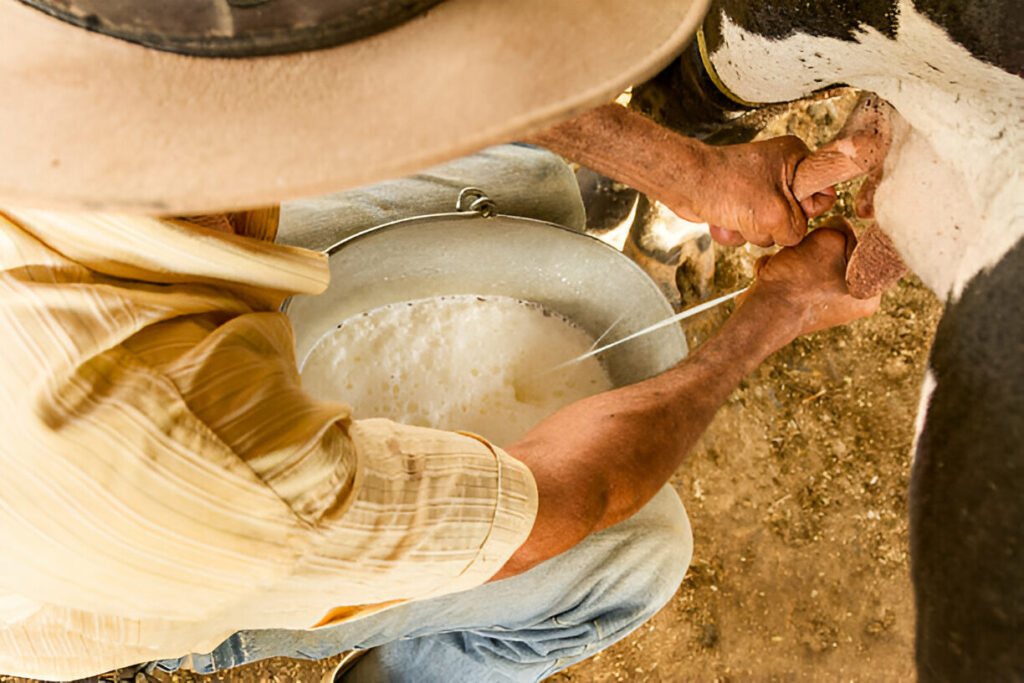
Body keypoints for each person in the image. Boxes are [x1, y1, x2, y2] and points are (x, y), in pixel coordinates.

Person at [0, 1, 884, 680]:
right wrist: (776, 317)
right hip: (137, 556)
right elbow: (572, 491)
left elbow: (377, 58)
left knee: (512, 172)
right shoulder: (213, 464)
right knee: (636, 554)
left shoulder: (65, 36)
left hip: (128, 285)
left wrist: (690, 173)